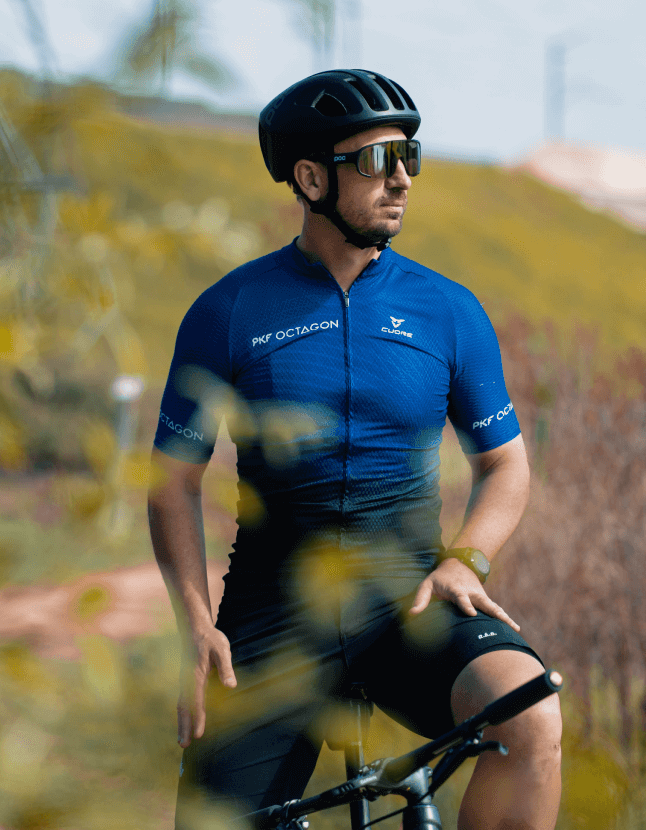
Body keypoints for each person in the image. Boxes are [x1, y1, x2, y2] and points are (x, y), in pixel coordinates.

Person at [147, 69, 560, 829]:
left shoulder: (447, 310)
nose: (401, 178)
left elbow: (505, 465)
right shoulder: (229, 310)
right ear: (309, 178)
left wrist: (463, 561)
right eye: (375, 160)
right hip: (274, 609)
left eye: (409, 155)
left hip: (409, 597)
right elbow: (171, 484)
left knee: (530, 718)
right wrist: (197, 627)